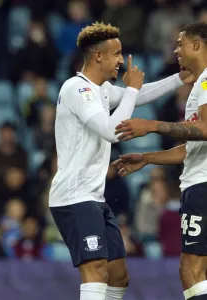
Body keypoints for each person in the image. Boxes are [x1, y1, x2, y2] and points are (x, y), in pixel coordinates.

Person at [49, 21, 192, 300]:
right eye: (116, 54)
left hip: (93, 197)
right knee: (96, 272)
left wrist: (178, 80)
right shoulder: (75, 89)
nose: (120, 61)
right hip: (73, 197)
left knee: (118, 276)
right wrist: (132, 90)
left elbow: (137, 97)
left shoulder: (100, 90)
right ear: (98, 55)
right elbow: (112, 131)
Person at [113, 22, 207, 300]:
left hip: (203, 186)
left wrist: (153, 125)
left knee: (191, 269)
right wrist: (147, 157)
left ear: (197, 45)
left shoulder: (206, 82)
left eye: (180, 43)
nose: (176, 49)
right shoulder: (199, 85)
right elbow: (192, 147)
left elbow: (205, 130)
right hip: (199, 181)